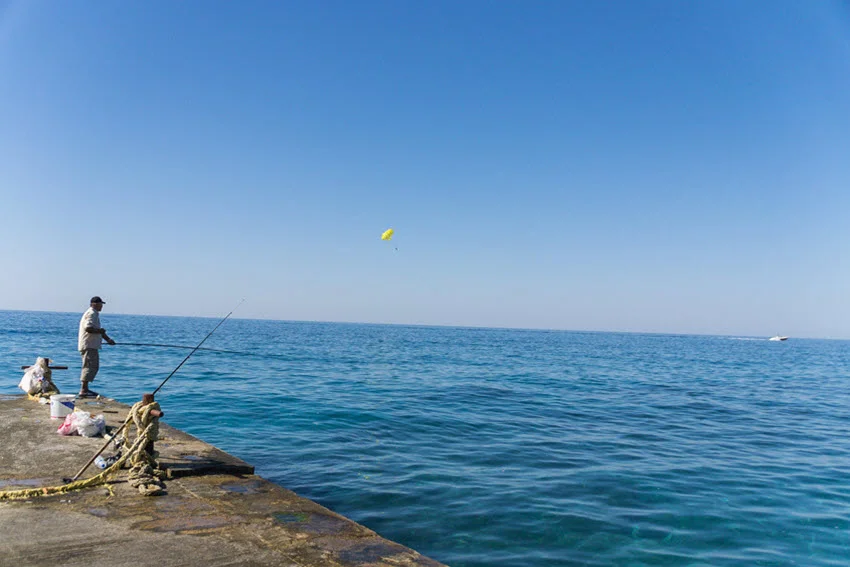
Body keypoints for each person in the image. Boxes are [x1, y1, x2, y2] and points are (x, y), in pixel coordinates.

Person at [78, 296, 115, 398]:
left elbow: (98, 330)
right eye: (100, 304)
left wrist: (108, 339)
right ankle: (84, 390)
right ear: (94, 304)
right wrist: (100, 331)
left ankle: (85, 389)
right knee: (89, 366)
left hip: (91, 345)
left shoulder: (94, 314)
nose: (101, 306)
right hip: (89, 345)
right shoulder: (91, 313)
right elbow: (88, 328)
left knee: (92, 366)